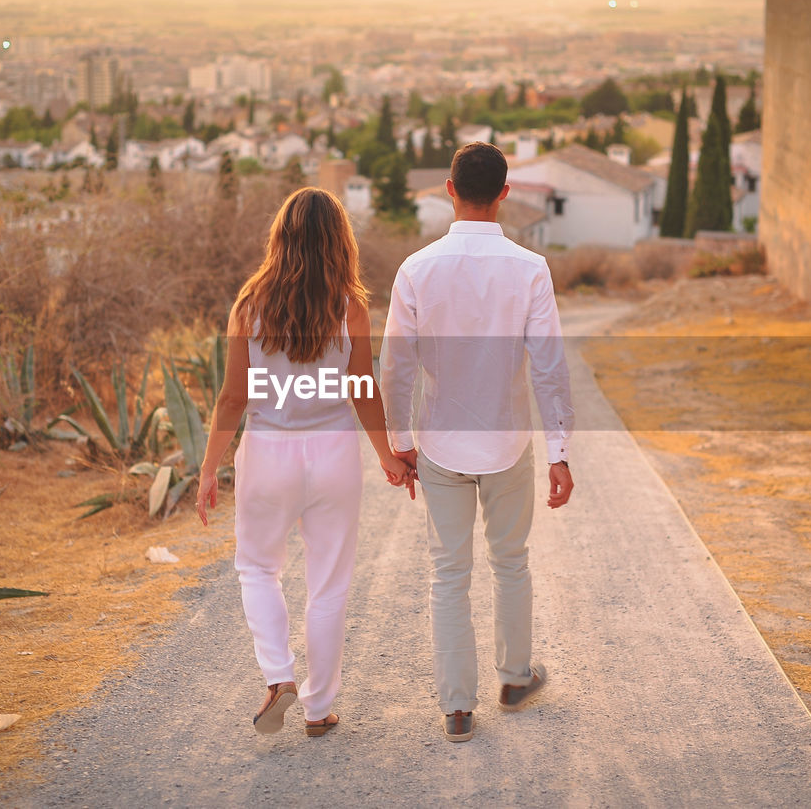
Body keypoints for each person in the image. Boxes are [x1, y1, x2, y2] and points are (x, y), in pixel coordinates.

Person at [196, 187, 409, 738]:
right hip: (333, 454)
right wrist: (389, 456)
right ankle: (317, 710)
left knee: (257, 568)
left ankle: (278, 677)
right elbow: (363, 388)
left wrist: (206, 470)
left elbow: (232, 399)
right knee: (329, 584)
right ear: (339, 240)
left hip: (268, 452)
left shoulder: (249, 303)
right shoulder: (350, 305)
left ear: (280, 237)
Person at [380, 142, 575, 743]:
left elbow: (396, 368)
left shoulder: (416, 269)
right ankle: (515, 679)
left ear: (449, 188)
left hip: (439, 446)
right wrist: (560, 451)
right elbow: (549, 367)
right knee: (510, 563)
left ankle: (458, 708)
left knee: (448, 574)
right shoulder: (530, 269)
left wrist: (398, 442)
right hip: (508, 445)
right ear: (506, 194)